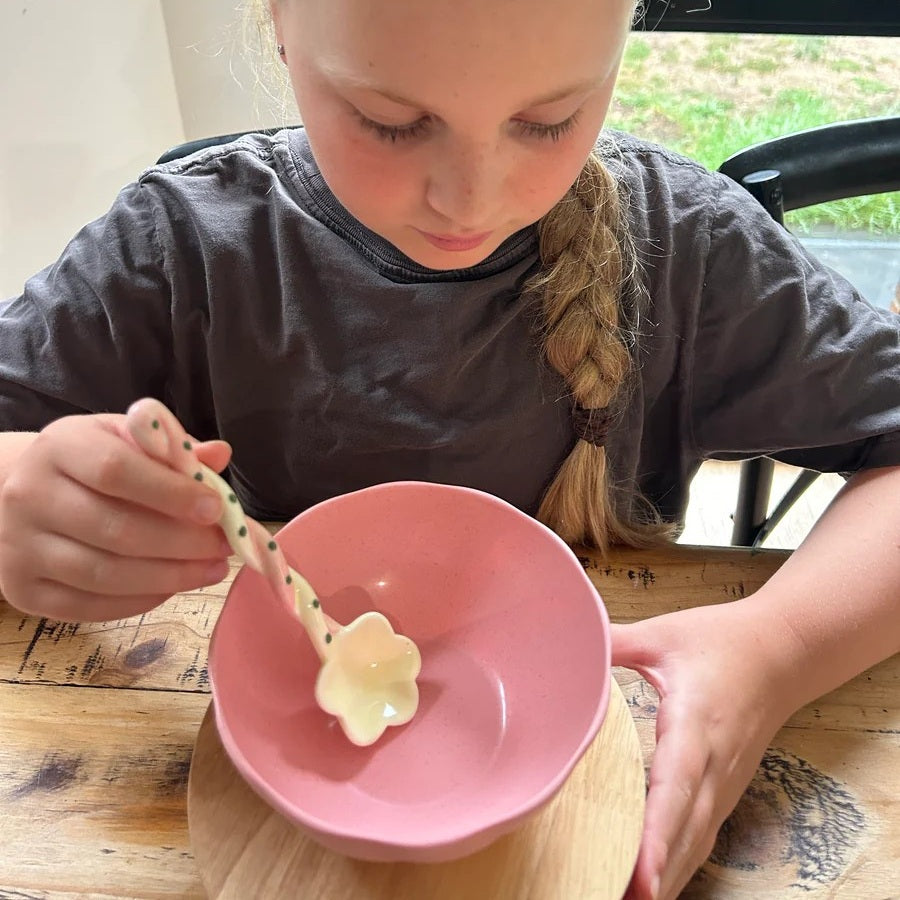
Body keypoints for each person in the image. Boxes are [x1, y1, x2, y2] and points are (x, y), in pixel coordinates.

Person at [0, 0, 898, 895]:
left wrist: (774, 649)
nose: (469, 200)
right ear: (277, 21)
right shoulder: (179, 247)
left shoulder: (691, 246)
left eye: (549, 120)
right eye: (390, 123)